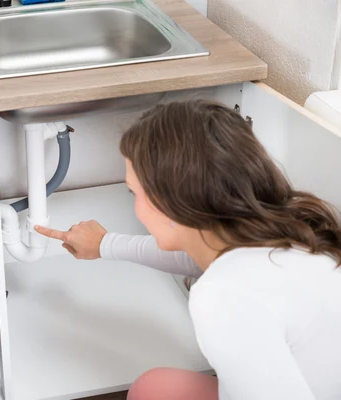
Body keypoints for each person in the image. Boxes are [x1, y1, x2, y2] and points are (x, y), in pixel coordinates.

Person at [35, 100, 341, 400]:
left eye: (134, 192)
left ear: (170, 205)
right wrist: (105, 244)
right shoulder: (292, 231)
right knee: (153, 386)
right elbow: (193, 255)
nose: (135, 204)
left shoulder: (225, 296)